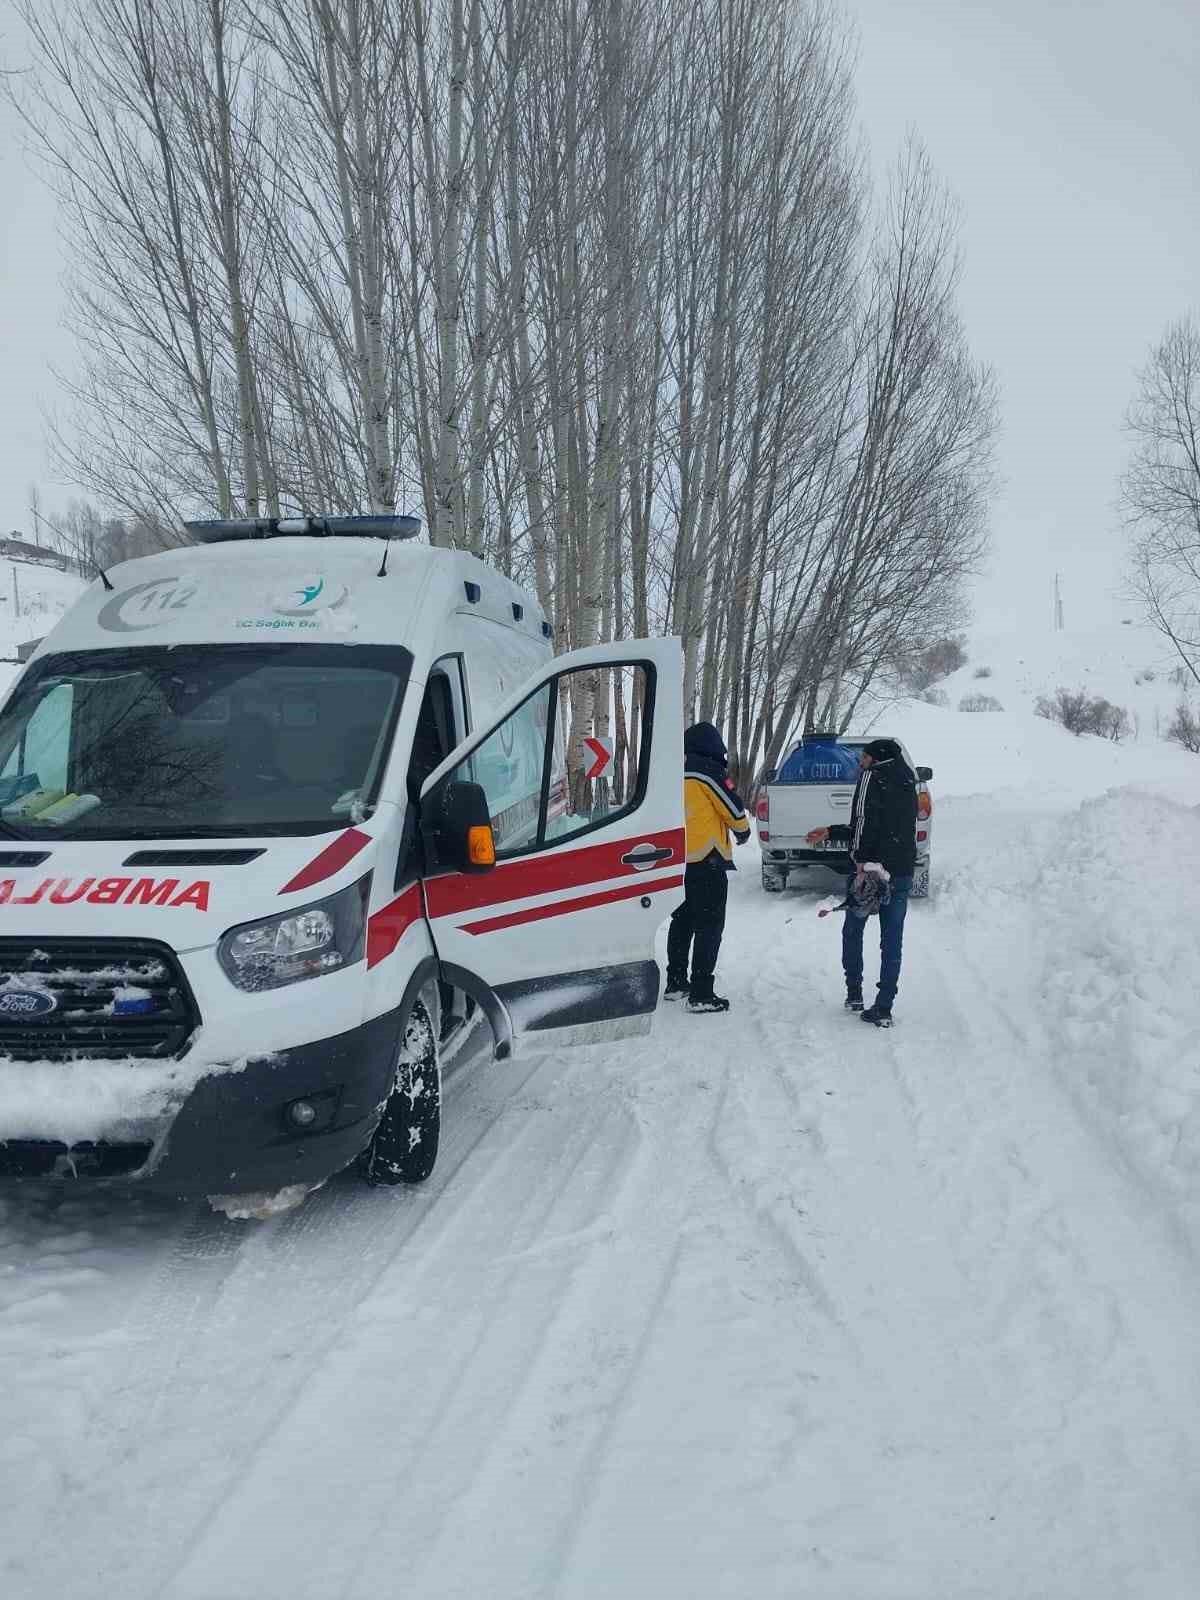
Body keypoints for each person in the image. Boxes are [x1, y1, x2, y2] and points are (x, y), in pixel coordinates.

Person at [806, 737, 917, 1028]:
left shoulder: (872, 778)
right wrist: (831, 830)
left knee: (853, 930)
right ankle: (884, 1007)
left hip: (869, 871)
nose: (860, 764)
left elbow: (864, 822)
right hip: (901, 871)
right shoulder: (908, 780)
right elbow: (890, 826)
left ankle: (854, 993)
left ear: (875, 759)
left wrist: (858, 859)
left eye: (863, 758)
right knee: (892, 940)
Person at [665, 721, 751, 1013]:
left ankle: (675, 982)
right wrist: (743, 832)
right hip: (707, 860)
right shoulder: (708, 771)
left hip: (678, 861)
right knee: (710, 926)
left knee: (683, 921)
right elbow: (734, 809)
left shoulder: (673, 771)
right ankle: (701, 992)